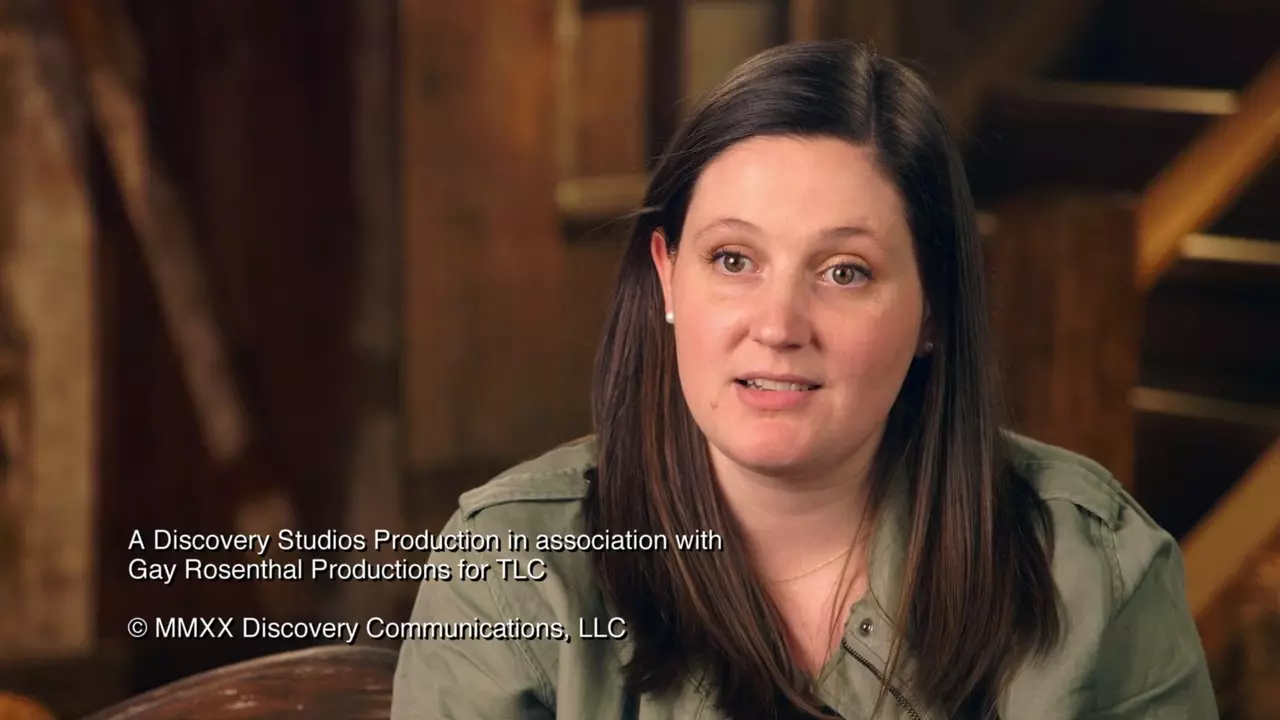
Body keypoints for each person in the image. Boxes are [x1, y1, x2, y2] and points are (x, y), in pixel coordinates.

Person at [391, 40, 1216, 719]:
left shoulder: (1096, 569)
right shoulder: (512, 570)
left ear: (933, 310)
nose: (779, 325)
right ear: (668, 277)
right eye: (733, 260)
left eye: (844, 271)